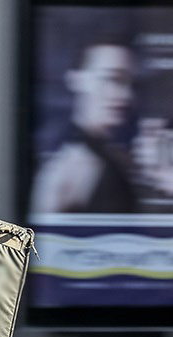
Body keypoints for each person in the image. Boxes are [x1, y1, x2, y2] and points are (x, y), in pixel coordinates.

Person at [29, 35, 139, 214]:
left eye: (131, 83)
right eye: (113, 79)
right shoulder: (65, 170)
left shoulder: (117, 157)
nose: (126, 95)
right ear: (76, 80)